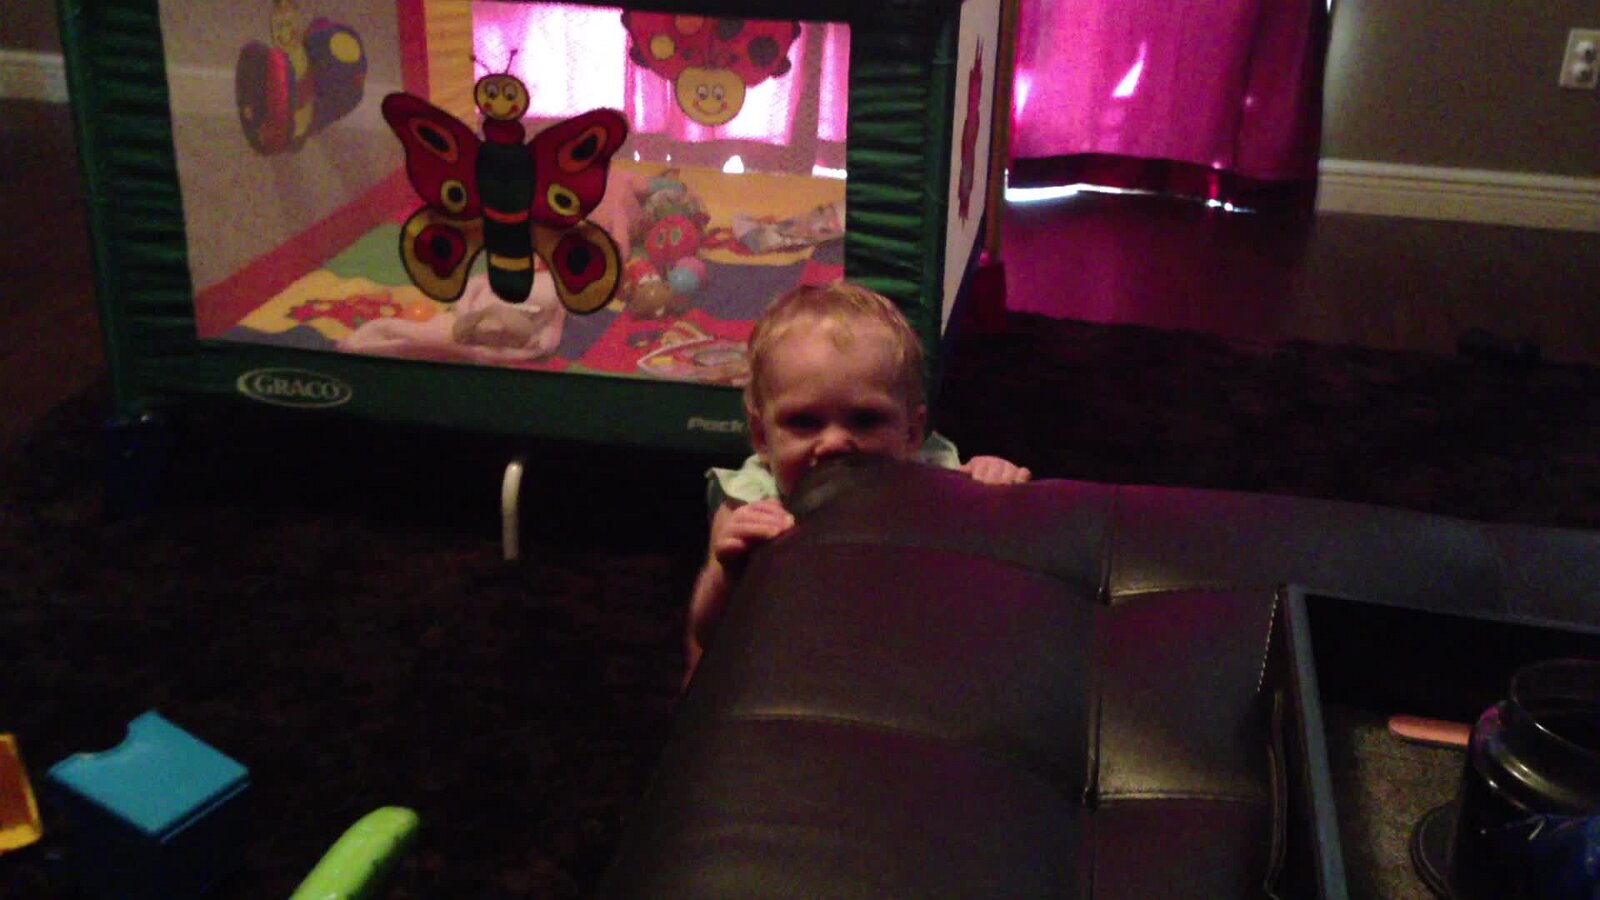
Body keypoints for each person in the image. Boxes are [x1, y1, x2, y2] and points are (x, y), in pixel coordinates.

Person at [684, 282, 1031, 684]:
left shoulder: (931, 473)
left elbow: (989, 572)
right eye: (804, 422)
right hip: (791, 654)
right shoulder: (750, 503)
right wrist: (728, 572)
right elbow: (707, 633)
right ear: (762, 437)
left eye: (865, 420)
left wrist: (989, 485)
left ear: (911, 432)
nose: (834, 443)